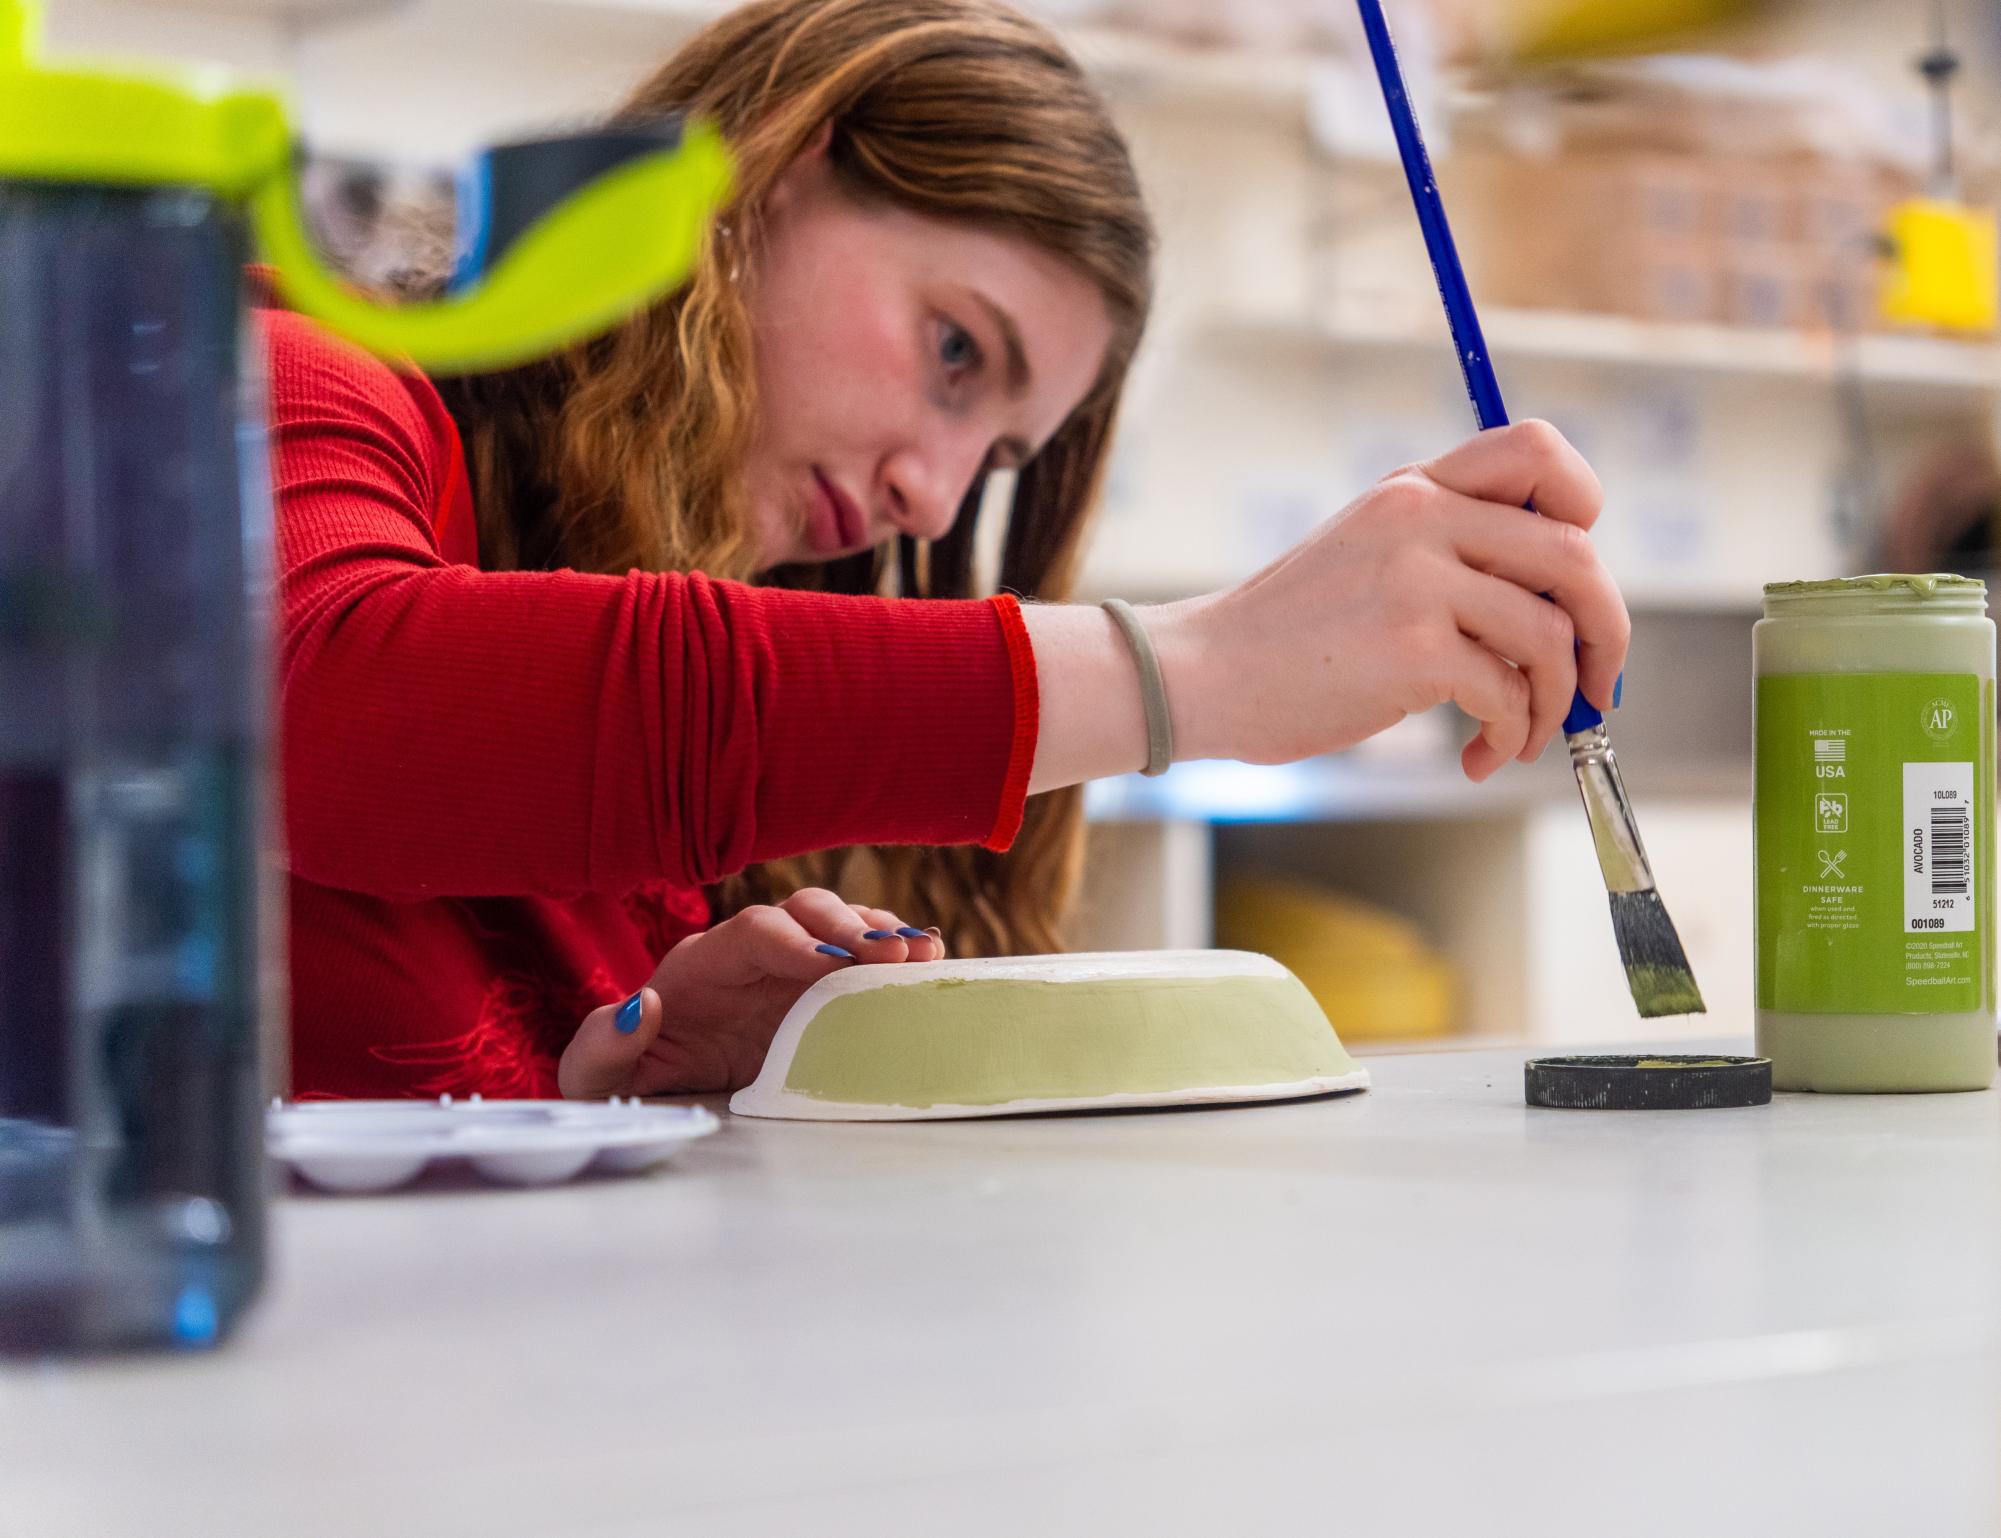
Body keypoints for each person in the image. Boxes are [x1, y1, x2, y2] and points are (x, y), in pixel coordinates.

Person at [271, 0, 1628, 1102]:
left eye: (994, 459)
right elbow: (330, 712)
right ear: (763, 176)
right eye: (954, 350)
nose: (930, 499)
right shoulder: (300, 380)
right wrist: (1197, 666)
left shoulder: (672, 793)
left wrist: (622, 1088)